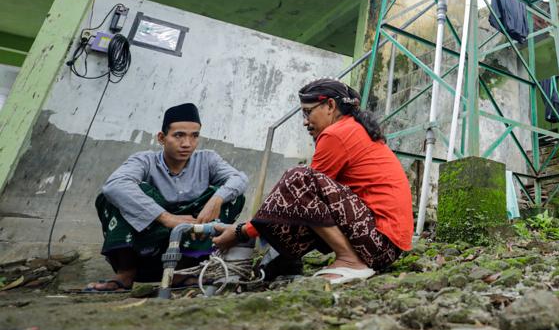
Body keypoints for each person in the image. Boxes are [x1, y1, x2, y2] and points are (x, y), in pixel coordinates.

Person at [212, 79, 412, 284]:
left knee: (298, 178)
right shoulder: (351, 129)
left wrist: (242, 232)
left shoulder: (337, 134)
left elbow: (298, 193)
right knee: (299, 194)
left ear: (330, 106)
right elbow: (306, 207)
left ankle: (351, 260)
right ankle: (283, 262)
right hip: (382, 245)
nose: (305, 121)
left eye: (308, 112)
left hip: (378, 243)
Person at [85, 103, 248, 292]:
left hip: (191, 239)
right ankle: (125, 273)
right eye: (179, 135)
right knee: (114, 196)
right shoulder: (145, 160)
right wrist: (167, 218)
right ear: (162, 138)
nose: (187, 143)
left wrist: (216, 199)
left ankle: (182, 273)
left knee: (232, 196)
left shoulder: (208, 159)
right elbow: (114, 185)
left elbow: (240, 178)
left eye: (194, 136)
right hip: (147, 242)